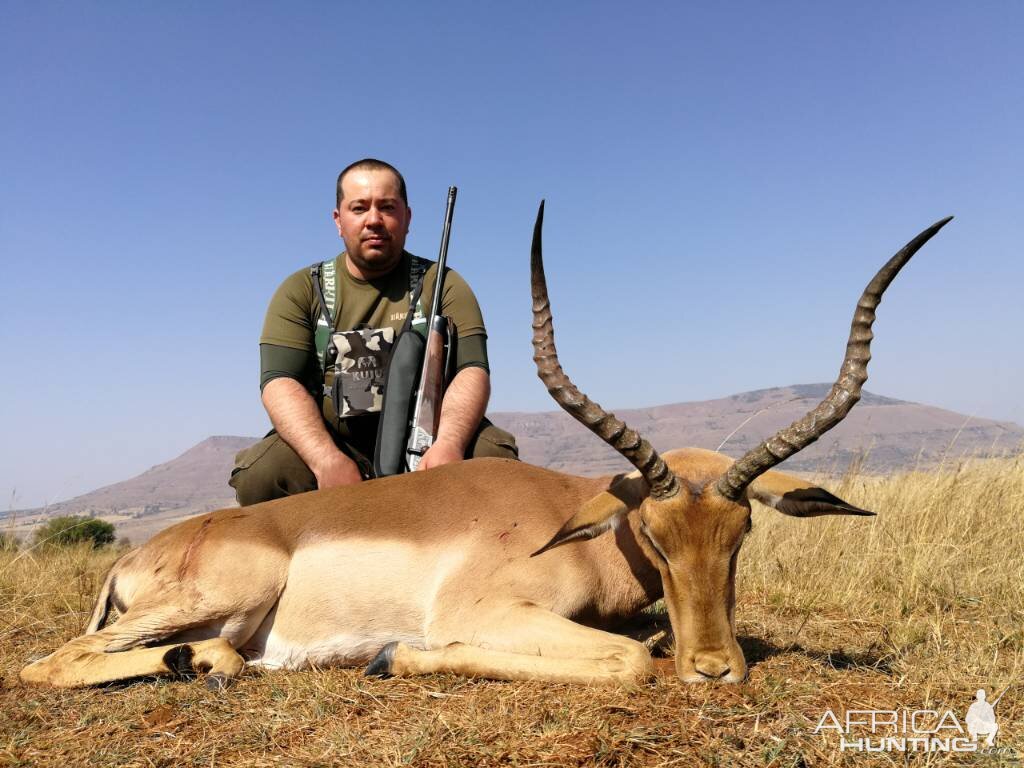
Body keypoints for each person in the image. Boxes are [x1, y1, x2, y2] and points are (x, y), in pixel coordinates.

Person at [229, 159, 517, 505]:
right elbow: (279, 382)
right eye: (359, 208)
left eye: (387, 207)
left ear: (407, 218)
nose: (374, 220)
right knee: (261, 477)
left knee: (494, 460)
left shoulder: (444, 285)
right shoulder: (302, 289)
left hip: (427, 438)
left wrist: (449, 444)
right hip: (334, 441)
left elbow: (472, 371)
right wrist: (326, 459)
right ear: (339, 220)